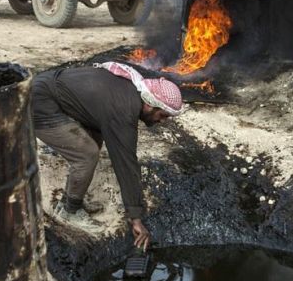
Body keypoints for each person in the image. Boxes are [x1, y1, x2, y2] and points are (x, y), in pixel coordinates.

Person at [31, 61, 185, 251]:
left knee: (94, 139)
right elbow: (126, 165)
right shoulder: (124, 109)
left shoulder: (130, 90)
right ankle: (68, 210)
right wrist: (135, 217)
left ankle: (75, 194)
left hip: (47, 89)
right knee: (86, 155)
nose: (161, 121)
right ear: (149, 104)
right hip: (40, 104)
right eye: (162, 115)